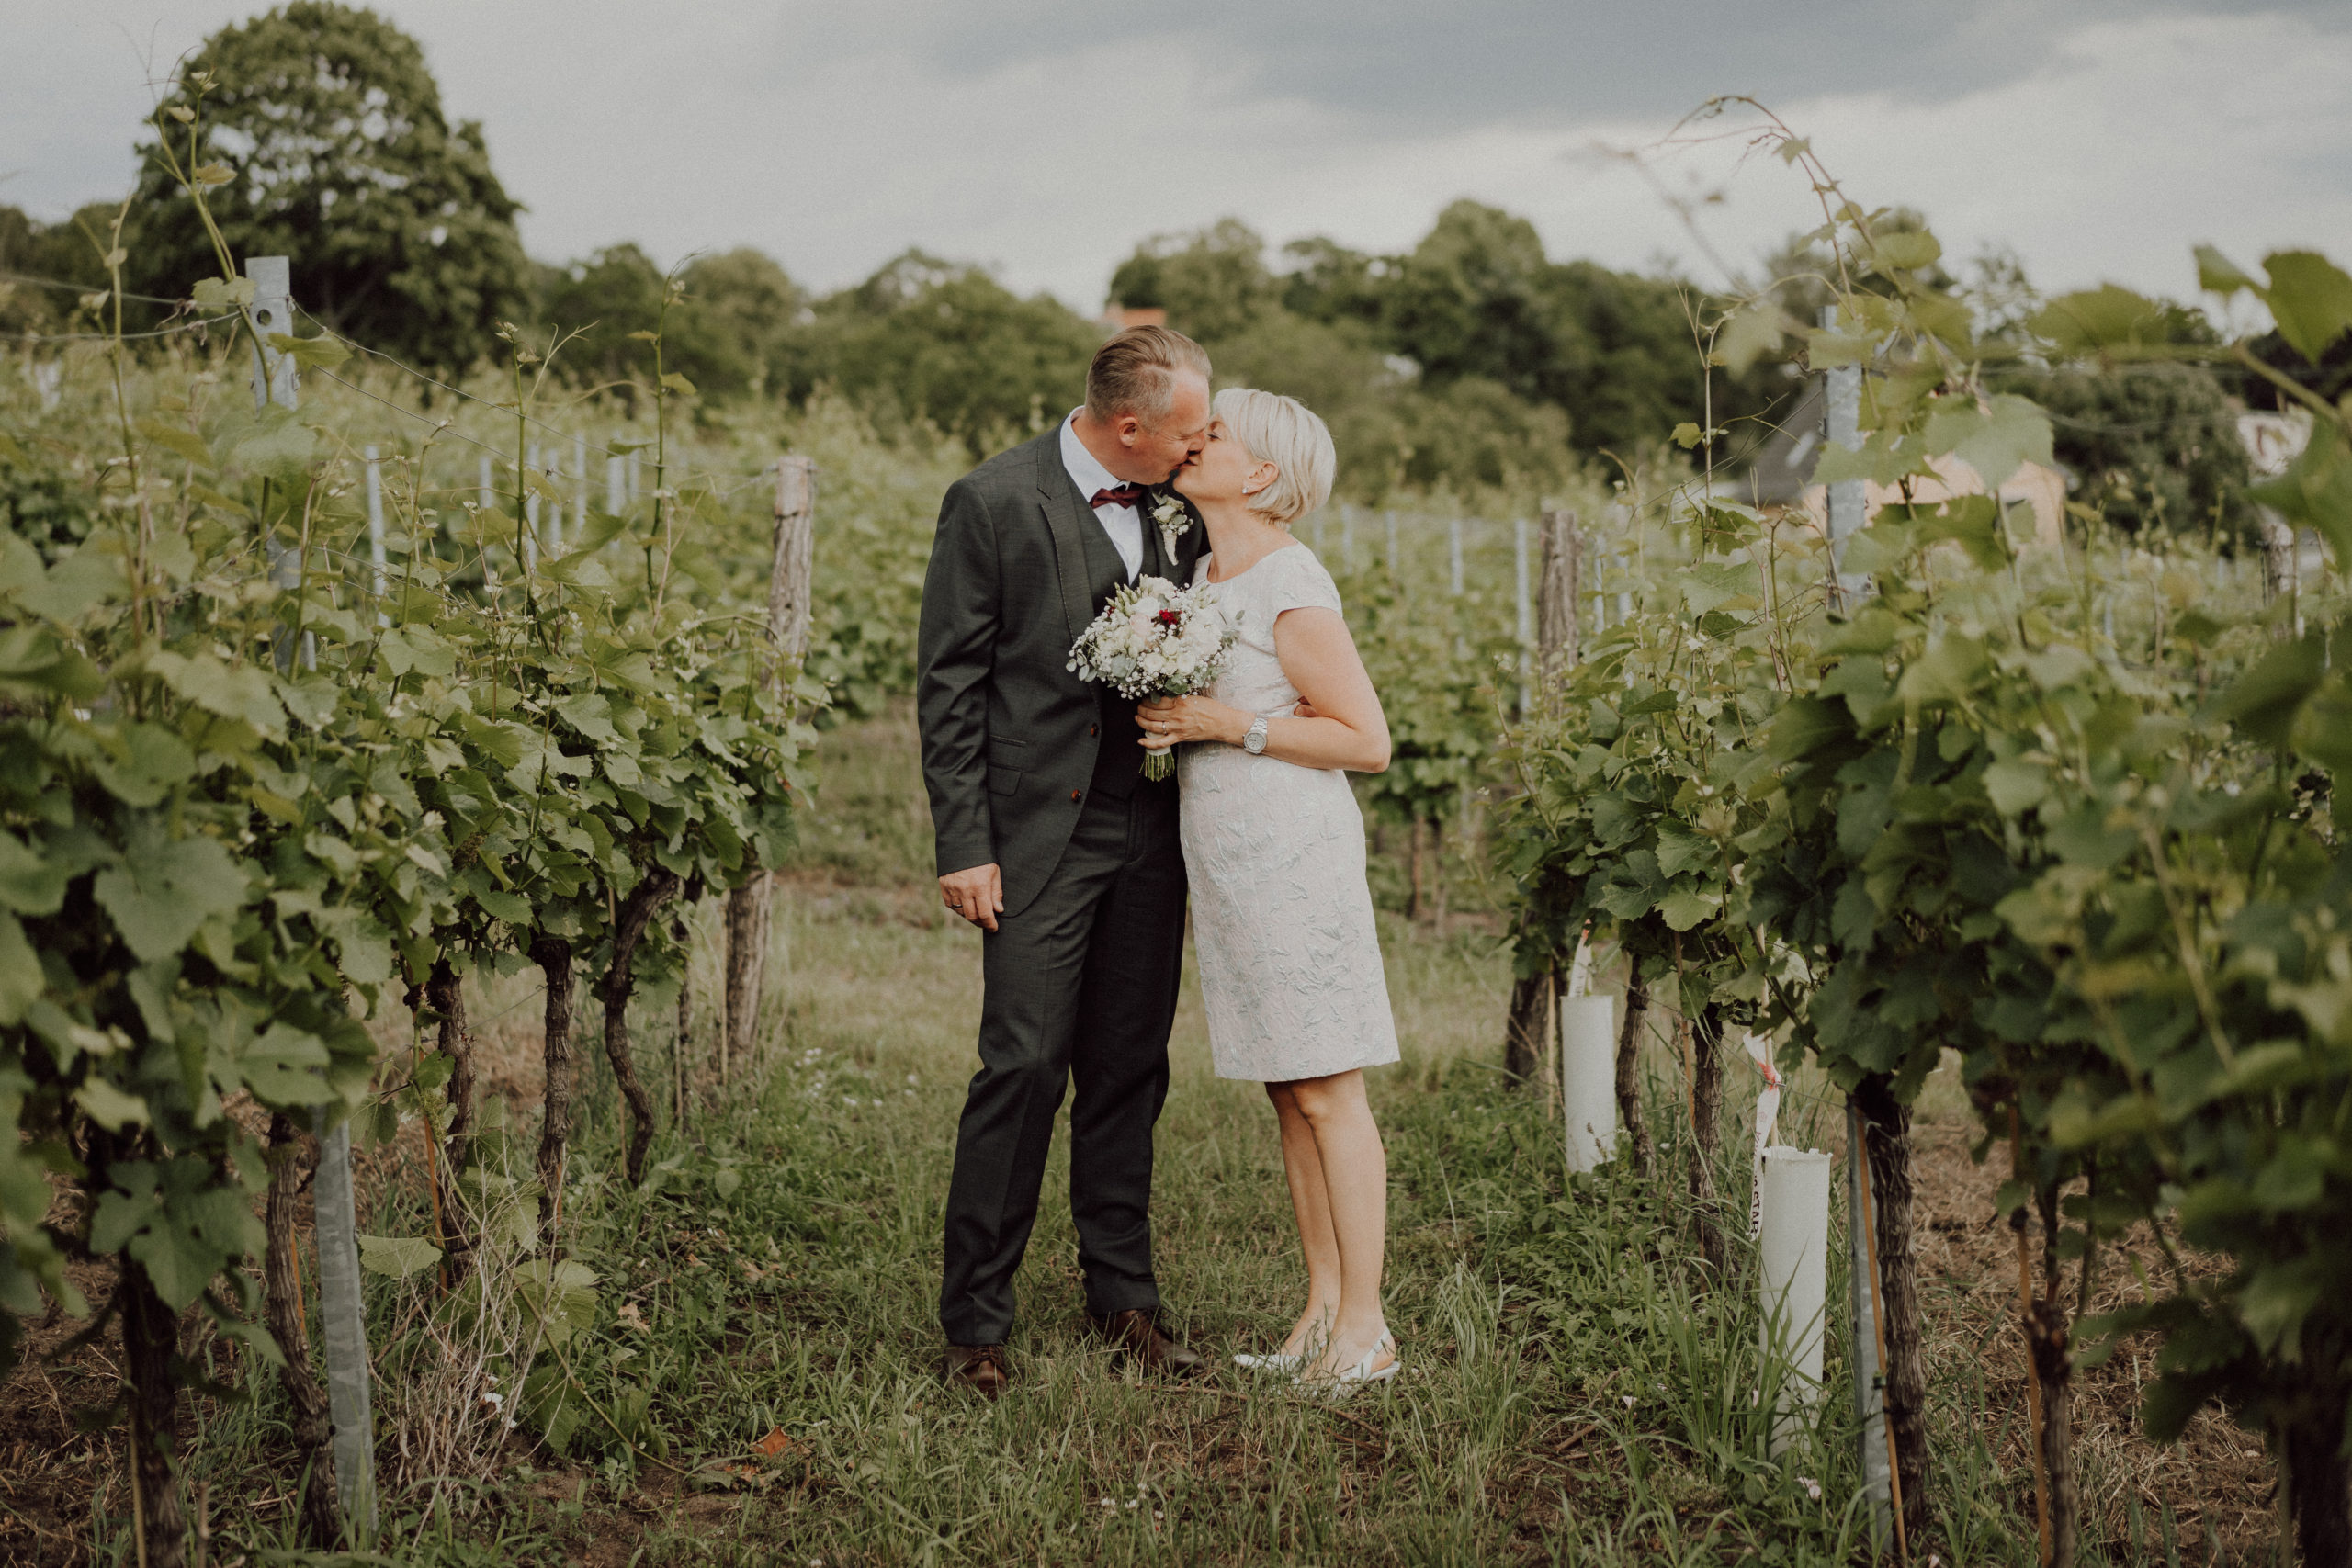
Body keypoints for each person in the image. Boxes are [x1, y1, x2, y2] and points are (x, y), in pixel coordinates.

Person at [915, 325, 1215, 1396]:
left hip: (1152, 829)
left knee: (1130, 1067)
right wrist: (965, 845)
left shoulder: (1182, 510)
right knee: (1025, 1065)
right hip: (1037, 833)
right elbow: (949, 683)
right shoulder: (993, 502)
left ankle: (1122, 1295)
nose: (1201, 445)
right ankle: (976, 1323)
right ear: (1128, 426)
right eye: (1188, 429)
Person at [1137, 388, 1402, 1394]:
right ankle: (1319, 1310)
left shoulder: (1290, 579)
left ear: (1260, 475)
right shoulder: (1204, 571)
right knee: (1290, 1088)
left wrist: (1225, 726)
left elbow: (1364, 741)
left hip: (1294, 851)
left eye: (1215, 435)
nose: (1194, 441)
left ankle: (1367, 1328)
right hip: (1231, 856)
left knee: (1330, 1087)